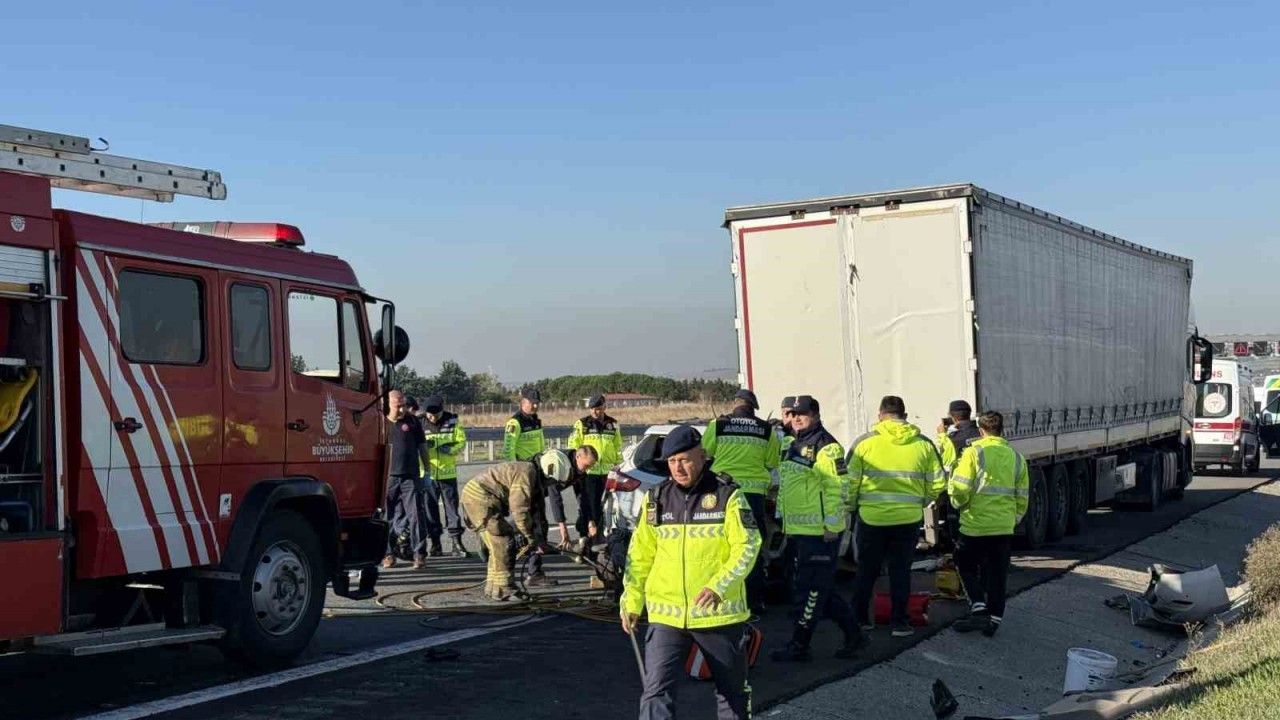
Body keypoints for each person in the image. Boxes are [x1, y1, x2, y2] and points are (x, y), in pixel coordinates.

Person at [620, 425, 761, 720]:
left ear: (702, 456)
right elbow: (639, 555)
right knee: (655, 693)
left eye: (684, 459)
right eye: (672, 462)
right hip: (666, 616)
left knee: (731, 694)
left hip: (717, 616)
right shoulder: (656, 498)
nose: (678, 468)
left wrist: (718, 587)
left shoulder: (727, 495)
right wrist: (631, 602)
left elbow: (747, 545)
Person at [770, 396, 864, 662]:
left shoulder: (827, 447)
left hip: (821, 535)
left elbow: (840, 488)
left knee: (809, 591)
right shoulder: (792, 444)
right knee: (821, 590)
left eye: (803, 414)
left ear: (816, 415)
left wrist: (833, 527)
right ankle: (855, 636)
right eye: (793, 413)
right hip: (800, 531)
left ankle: (800, 645)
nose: (797, 418)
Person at [847, 395, 944, 638]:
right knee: (900, 571)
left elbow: (848, 482)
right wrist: (921, 500)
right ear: (905, 416)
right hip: (908, 519)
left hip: (871, 519)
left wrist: (851, 506)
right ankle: (900, 623)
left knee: (866, 571)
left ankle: (861, 619)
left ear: (880, 415)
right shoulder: (923, 444)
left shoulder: (864, 443)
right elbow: (938, 481)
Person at [948, 411, 1029, 637]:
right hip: (1003, 527)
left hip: (975, 525)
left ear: (980, 430)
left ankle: (978, 607)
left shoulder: (973, 453)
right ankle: (993, 621)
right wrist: (1014, 519)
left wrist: (957, 503)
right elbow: (1023, 495)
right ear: (1002, 429)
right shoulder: (1016, 457)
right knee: (997, 574)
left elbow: (962, 488)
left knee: (964, 564)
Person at [701, 388, 780, 614]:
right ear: (753, 408)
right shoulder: (766, 430)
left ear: (735, 404)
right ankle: (754, 601)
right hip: (753, 495)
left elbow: (705, 453)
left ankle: (718, 597)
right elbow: (772, 462)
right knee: (751, 546)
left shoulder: (719, 425)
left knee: (721, 545)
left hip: (723, 492)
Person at [461, 449, 574, 601]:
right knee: (503, 541)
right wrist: (528, 536)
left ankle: (493, 587)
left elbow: (536, 510)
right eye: (552, 481)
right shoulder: (526, 474)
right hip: (479, 500)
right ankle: (504, 588)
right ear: (549, 471)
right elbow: (519, 510)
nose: (551, 484)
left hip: (479, 498)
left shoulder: (531, 471)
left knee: (498, 543)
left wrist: (537, 539)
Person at [503, 387, 566, 586]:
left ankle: (534, 570)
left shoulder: (536, 420)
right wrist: (516, 476)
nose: (535, 405)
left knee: (540, 521)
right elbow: (508, 451)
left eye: (537, 402)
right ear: (523, 402)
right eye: (532, 402)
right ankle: (514, 564)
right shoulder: (515, 423)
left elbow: (540, 446)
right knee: (527, 521)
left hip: (537, 473)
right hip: (522, 476)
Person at [568, 394, 624, 554]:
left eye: (598, 409)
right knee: (587, 506)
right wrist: (577, 469)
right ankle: (584, 537)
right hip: (588, 473)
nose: (595, 412)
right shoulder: (582, 424)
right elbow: (574, 447)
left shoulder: (613, 424)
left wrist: (617, 467)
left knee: (603, 508)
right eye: (592, 409)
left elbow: (617, 446)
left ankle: (598, 539)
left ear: (604, 407)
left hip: (607, 473)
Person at [382, 390, 432, 570]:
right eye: (398, 406)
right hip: (388, 478)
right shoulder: (380, 422)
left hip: (410, 477)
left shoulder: (412, 422)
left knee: (416, 516)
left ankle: (419, 554)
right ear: (389, 405)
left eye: (403, 405)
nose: (402, 409)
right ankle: (388, 554)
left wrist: (427, 470)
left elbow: (422, 446)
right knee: (385, 518)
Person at [420, 395, 470, 557]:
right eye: (429, 415)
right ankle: (435, 544)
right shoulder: (420, 423)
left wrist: (448, 449)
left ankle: (457, 543)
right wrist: (423, 448)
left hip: (447, 474)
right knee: (430, 511)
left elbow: (461, 442)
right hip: (428, 475)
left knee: (452, 511)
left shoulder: (452, 421)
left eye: (436, 415)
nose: (433, 418)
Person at [937, 400, 981, 472]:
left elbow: (945, 459)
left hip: (963, 478)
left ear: (953, 418)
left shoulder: (953, 439)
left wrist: (942, 435)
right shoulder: (982, 432)